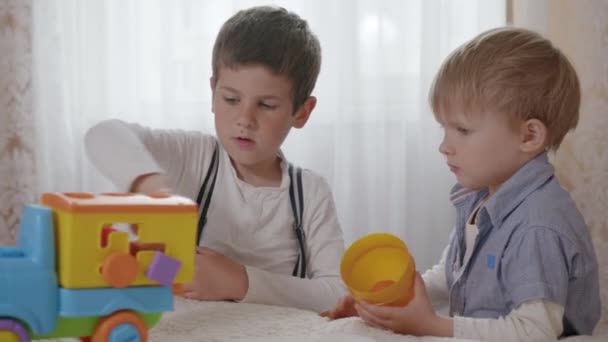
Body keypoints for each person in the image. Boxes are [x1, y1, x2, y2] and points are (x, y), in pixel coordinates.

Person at [321, 27, 601, 340]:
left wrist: (431, 326)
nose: (444, 146)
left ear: (529, 136)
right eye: (444, 129)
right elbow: (451, 277)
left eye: (463, 131)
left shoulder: (538, 226)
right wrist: (383, 304)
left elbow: (534, 331)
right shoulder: (480, 197)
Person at [85, 5, 346, 313]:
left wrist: (240, 281)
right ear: (213, 93)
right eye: (231, 99)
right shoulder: (194, 157)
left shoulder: (311, 193)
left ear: (301, 112)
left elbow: (337, 294)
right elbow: (103, 134)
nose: (245, 119)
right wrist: (150, 187)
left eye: (266, 105)